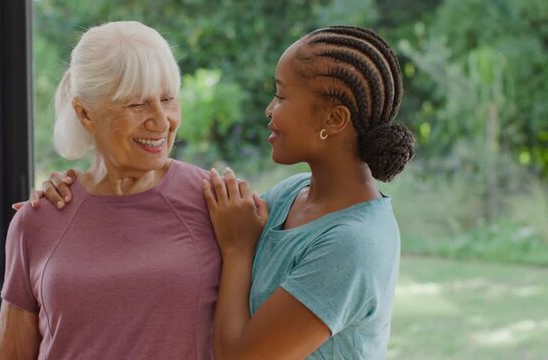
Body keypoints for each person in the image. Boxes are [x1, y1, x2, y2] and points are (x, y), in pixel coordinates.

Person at [33, 25, 414, 359]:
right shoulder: (291, 195)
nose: (269, 109)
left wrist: (238, 250)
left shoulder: (354, 245)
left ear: (333, 119)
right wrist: (67, 203)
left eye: (281, 97)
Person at [0, 21, 221, 360]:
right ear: (85, 113)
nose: (161, 121)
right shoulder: (37, 220)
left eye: (168, 98)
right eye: (137, 104)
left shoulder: (217, 202)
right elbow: (10, 354)